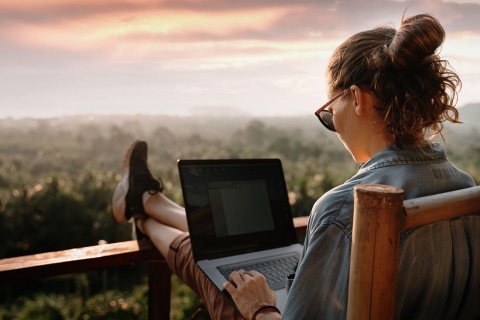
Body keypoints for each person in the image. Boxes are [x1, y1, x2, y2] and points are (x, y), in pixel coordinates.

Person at [112, 13, 480, 320]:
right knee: (234, 250)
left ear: (355, 99)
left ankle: (143, 211)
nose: (332, 125)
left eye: (329, 112)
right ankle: (148, 203)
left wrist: (259, 308)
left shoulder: (344, 210)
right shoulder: (465, 189)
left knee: (216, 268)